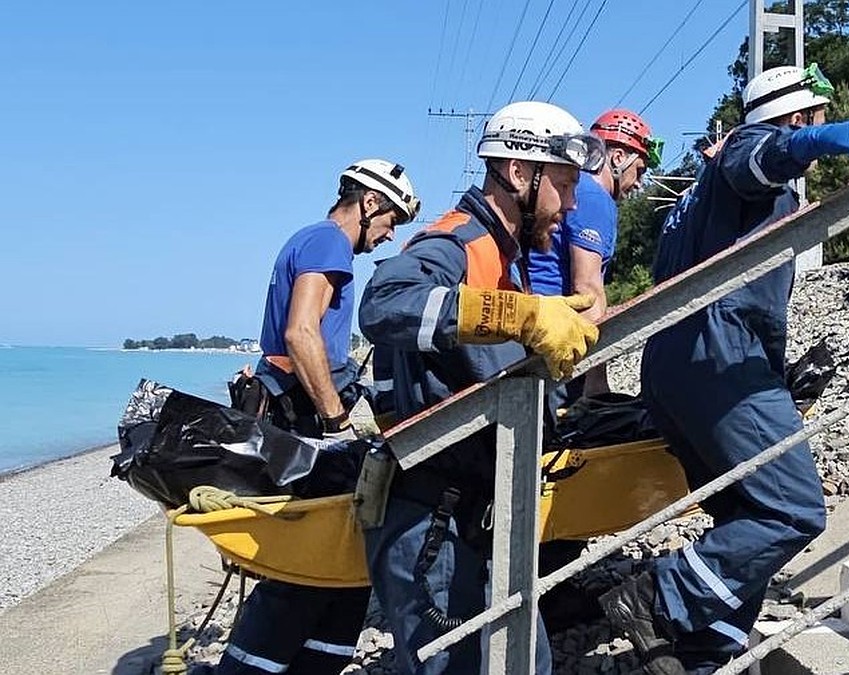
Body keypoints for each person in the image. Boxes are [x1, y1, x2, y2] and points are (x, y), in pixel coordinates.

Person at [598, 65, 849, 674]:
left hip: (680, 363)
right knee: (792, 509)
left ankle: (708, 648)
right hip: (720, 359)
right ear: (794, 119)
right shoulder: (745, 158)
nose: (821, 128)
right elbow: (755, 157)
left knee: (745, 513)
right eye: (815, 118)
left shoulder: (695, 196)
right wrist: (818, 140)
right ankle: (658, 598)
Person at [357, 100, 604, 674]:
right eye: (565, 186)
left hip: (474, 514)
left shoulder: (505, 256)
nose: (570, 206)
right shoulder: (457, 241)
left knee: (527, 662)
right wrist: (517, 316)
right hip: (433, 524)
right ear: (520, 174)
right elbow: (384, 302)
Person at [212, 159, 421, 675]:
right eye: (392, 218)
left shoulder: (310, 241)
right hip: (303, 413)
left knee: (335, 561)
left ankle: (314, 662)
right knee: (309, 561)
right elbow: (301, 334)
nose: (391, 233)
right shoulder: (329, 242)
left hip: (291, 405)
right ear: (369, 204)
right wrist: (335, 419)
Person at [526, 109, 659, 405]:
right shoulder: (594, 197)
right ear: (617, 157)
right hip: (555, 342)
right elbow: (587, 289)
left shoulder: (575, 190)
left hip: (537, 328)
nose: (639, 183)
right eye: (640, 170)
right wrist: (596, 381)